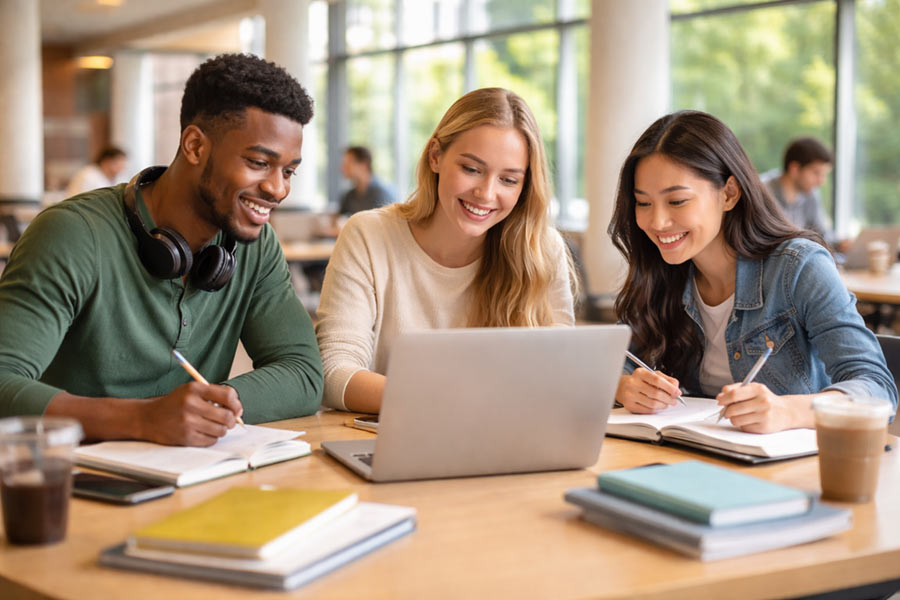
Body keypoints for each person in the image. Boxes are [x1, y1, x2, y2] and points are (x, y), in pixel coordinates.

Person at [0, 53, 324, 446]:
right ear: (194, 145)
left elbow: (304, 374)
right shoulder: (72, 234)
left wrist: (208, 409)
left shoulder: (254, 246)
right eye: (258, 162)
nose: (278, 189)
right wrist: (142, 419)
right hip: (72, 473)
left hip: (198, 473)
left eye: (288, 171)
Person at [609, 110, 897, 433]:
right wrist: (625, 387)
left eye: (676, 201)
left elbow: (877, 388)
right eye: (643, 203)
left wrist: (788, 411)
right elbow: (612, 364)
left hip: (798, 461)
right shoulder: (661, 273)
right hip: (693, 456)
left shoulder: (798, 267)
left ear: (729, 193)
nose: (657, 222)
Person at [315, 87, 576, 414]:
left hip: (505, 435)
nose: (486, 193)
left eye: (509, 180)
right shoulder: (369, 235)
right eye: (472, 169)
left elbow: (561, 372)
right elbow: (333, 373)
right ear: (436, 156)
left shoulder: (541, 250)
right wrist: (447, 400)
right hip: (395, 436)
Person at [762, 137, 838, 247]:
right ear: (795, 169)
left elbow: (822, 233)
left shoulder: (810, 193)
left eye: (824, 175)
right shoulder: (763, 192)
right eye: (816, 173)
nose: (821, 181)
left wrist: (839, 244)